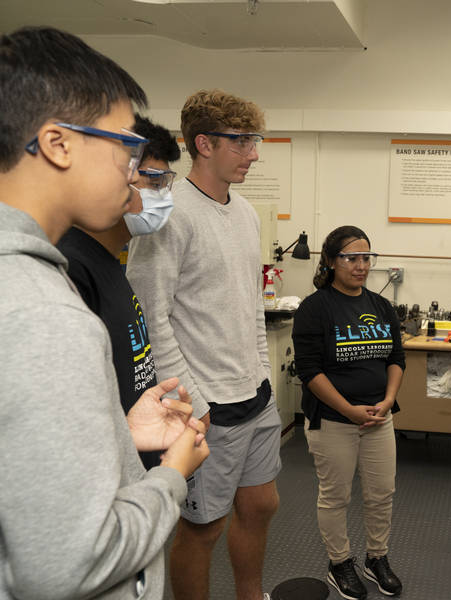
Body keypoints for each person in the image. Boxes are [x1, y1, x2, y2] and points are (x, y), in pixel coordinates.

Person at [0, 26, 209, 600]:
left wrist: (119, 431)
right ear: (58, 143)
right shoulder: (43, 313)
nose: (133, 168)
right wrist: (171, 477)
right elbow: (65, 565)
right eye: (125, 145)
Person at [126, 88, 281, 600]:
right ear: (204, 144)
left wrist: (264, 373)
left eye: (254, 141)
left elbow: (249, 305)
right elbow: (151, 315)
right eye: (242, 141)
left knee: (261, 506)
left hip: (254, 396)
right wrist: (193, 398)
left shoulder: (248, 214)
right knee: (202, 528)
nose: (254, 153)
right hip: (208, 405)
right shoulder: (170, 217)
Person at [57, 114, 196, 470]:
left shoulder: (109, 263)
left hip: (137, 457)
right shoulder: (72, 268)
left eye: (166, 182)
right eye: (152, 180)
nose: (161, 195)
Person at [292, 226, 406, 600]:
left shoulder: (381, 305)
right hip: (334, 420)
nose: (361, 266)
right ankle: (339, 562)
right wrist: (349, 410)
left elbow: (396, 359)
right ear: (330, 261)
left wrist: (388, 400)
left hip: (379, 418)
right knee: (335, 495)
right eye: (351, 258)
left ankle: (377, 559)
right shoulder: (315, 307)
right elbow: (309, 371)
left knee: (381, 493)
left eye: (366, 258)